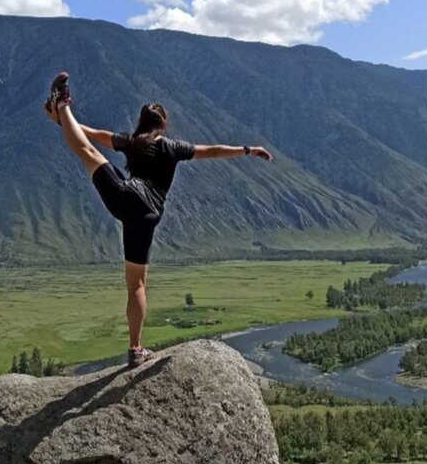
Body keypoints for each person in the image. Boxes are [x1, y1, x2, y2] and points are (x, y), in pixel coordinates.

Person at [44, 72, 272, 368]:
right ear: (164, 124)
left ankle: (62, 103)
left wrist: (61, 120)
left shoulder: (131, 142)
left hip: (125, 199)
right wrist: (247, 150)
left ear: (142, 122)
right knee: (137, 285)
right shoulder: (172, 147)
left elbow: (90, 136)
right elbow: (213, 151)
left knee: (87, 152)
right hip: (147, 217)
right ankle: (135, 349)